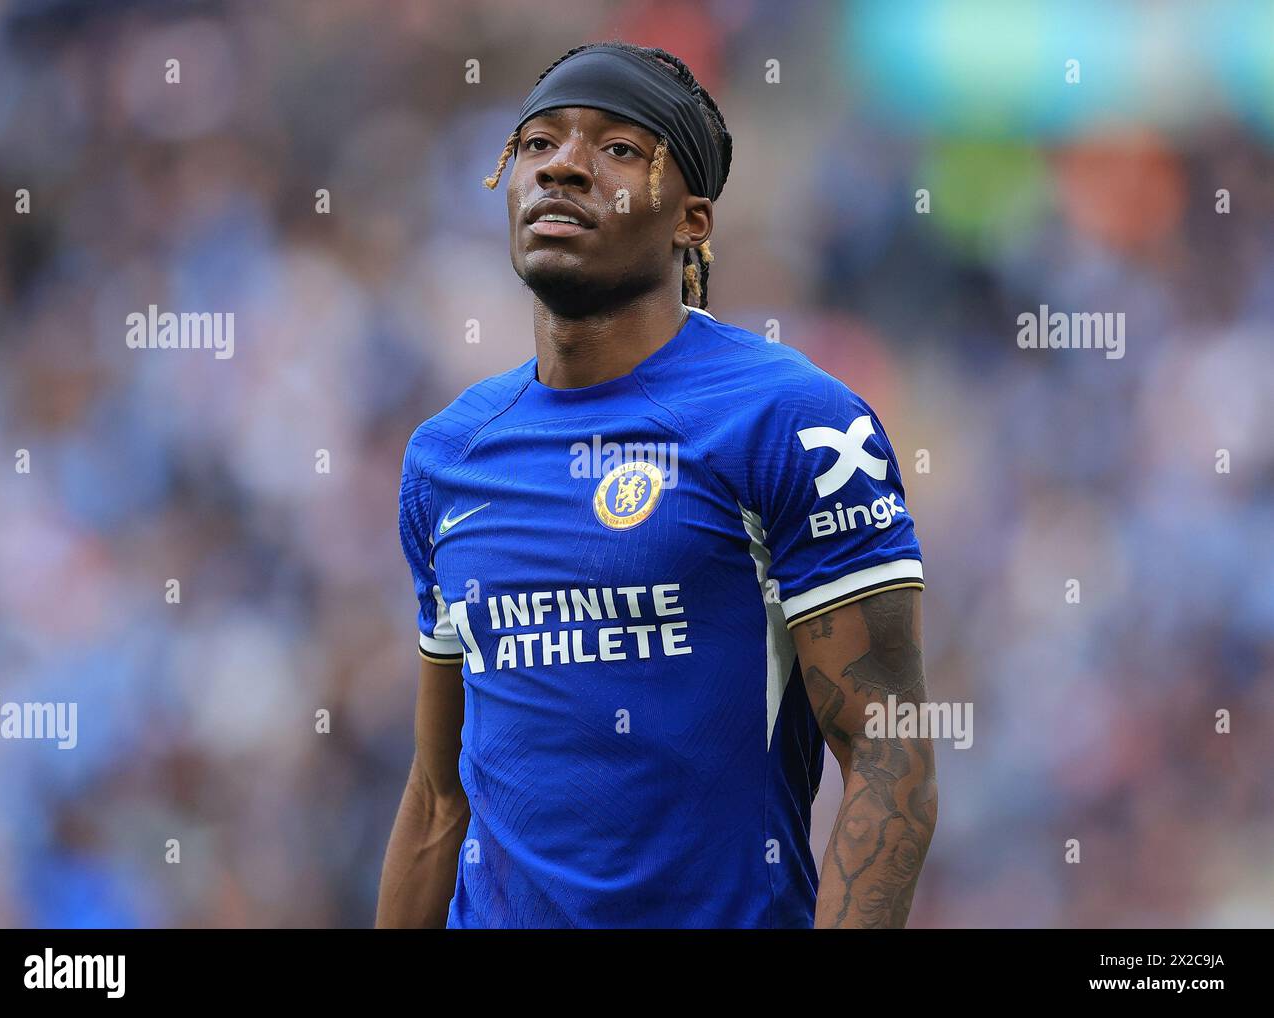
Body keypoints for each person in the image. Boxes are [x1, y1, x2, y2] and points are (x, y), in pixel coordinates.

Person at [376, 41, 936, 929]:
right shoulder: (448, 457)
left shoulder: (791, 421)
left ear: (692, 222)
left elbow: (887, 751)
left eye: (619, 150)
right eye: (537, 144)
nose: (563, 165)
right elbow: (440, 798)